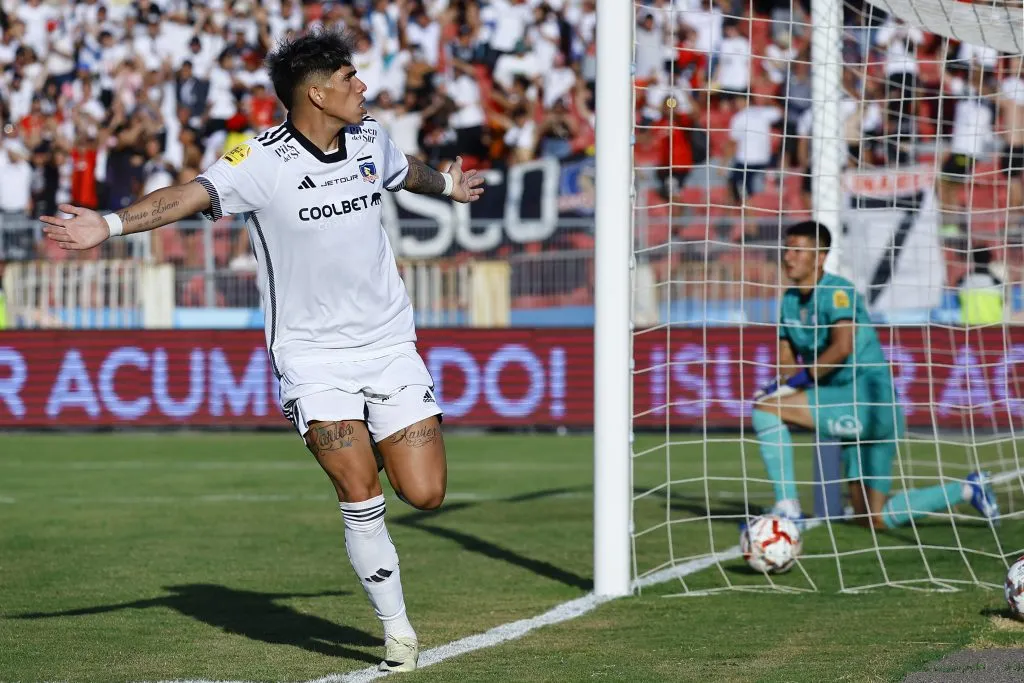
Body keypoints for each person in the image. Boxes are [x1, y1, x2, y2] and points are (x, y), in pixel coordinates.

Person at [40, 28, 484, 673]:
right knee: (358, 491)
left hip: (389, 346)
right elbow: (185, 196)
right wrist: (107, 225)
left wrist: (445, 186)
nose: (363, 86)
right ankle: (399, 633)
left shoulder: (370, 138)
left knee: (427, 493)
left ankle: (381, 447)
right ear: (316, 93)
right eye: (350, 77)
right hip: (311, 357)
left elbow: (404, 171)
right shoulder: (259, 160)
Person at [750, 221, 998, 530]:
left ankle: (788, 508)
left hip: (869, 402)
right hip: (845, 404)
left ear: (820, 256)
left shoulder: (837, 291)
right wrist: (783, 384)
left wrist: (799, 382)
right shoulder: (789, 301)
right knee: (872, 518)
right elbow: (786, 357)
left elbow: (842, 347)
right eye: (786, 249)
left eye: (797, 250)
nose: (788, 257)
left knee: (765, 410)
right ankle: (968, 489)